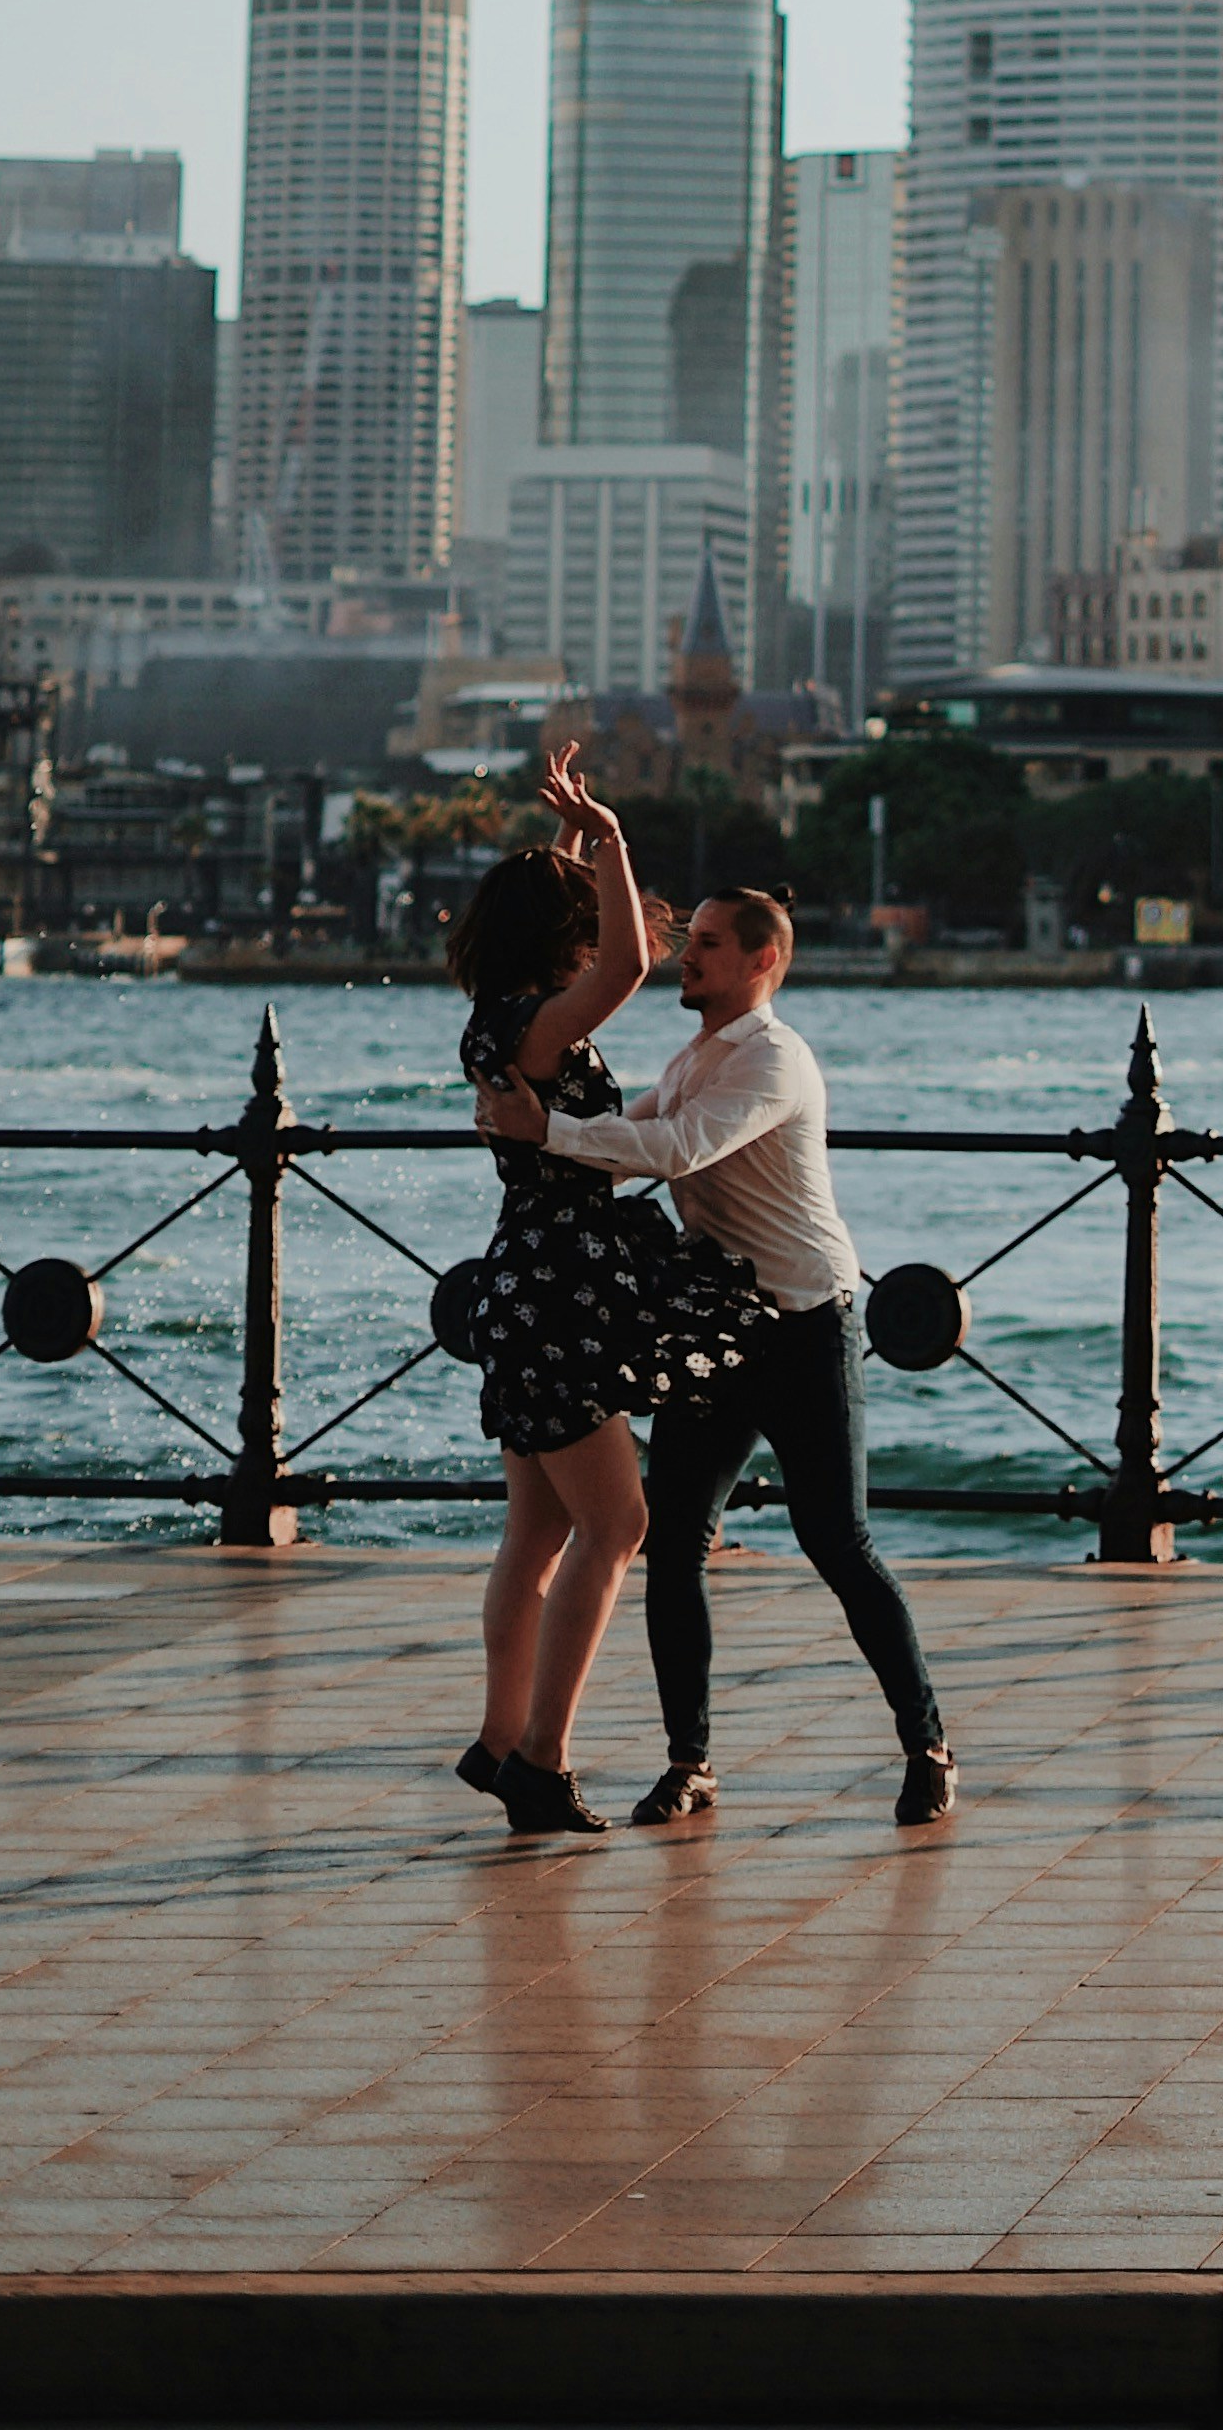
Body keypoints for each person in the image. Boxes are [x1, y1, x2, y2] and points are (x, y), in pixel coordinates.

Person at [477, 877, 955, 1834]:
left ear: (761, 961)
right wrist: (539, 1142)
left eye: (705, 945)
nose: (685, 958)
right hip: (719, 1330)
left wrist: (550, 1130)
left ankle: (928, 1745)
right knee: (675, 1543)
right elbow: (630, 1141)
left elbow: (679, 1150)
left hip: (808, 1321)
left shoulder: (775, 1061)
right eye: (687, 940)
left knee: (838, 1542)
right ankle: (689, 1762)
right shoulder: (696, 1055)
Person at [447, 749, 760, 1840]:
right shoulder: (536, 1026)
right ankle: (542, 1758)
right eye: (570, 910)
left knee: (534, 1538)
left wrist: (575, 849)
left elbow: (594, 948)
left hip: (530, 1284)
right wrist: (617, 838)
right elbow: (626, 964)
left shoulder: (502, 1016)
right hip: (562, 1294)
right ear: (552, 937)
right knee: (617, 1523)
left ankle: (497, 1742)